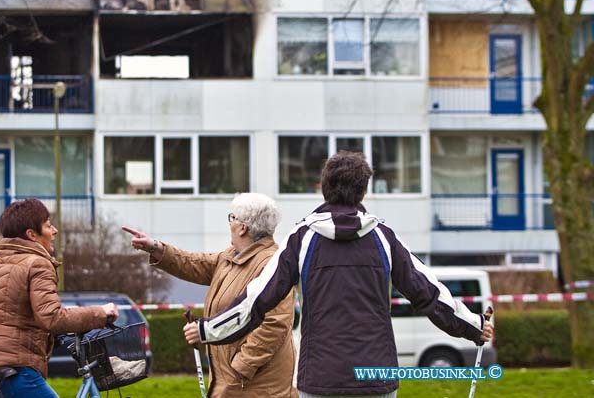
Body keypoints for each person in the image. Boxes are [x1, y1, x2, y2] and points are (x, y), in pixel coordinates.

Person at [183, 152, 495, 398]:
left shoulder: (301, 238)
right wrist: (475, 325)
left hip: (320, 378)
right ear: (364, 190)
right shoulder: (383, 237)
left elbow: (255, 301)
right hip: (377, 377)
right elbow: (429, 293)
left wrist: (208, 330)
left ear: (324, 186)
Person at [123, 192, 296, 398]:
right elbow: (195, 263)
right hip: (233, 383)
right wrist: (157, 248)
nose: (229, 223)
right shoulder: (230, 256)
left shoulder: (272, 264)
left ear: (243, 228)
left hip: (255, 386)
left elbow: (275, 325)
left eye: (232, 218)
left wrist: (240, 367)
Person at [0, 199, 118, 398]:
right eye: (48, 225)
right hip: (16, 373)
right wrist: (101, 313)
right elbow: (52, 317)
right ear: (32, 235)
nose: (54, 231)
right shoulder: (38, 264)